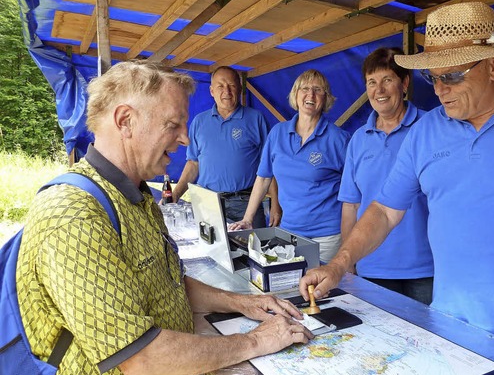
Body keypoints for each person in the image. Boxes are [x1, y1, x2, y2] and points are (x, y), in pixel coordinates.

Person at [300, 2, 494, 375]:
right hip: (452, 335)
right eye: (432, 78)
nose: (439, 91)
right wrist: (339, 265)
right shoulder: (424, 133)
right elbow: (385, 211)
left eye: (451, 77)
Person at [16, 60, 312, 375]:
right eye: (173, 124)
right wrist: (254, 342)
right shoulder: (75, 214)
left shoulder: (137, 195)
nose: (185, 139)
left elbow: (168, 285)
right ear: (125, 120)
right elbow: (140, 358)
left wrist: (243, 303)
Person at [338, 47, 433, 304]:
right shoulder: (358, 140)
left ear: (404, 83)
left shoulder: (430, 128)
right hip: (372, 267)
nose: (378, 90)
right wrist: (349, 260)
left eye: (387, 80)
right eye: (372, 82)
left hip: (426, 268)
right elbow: (351, 205)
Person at [229, 69, 351, 263]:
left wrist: (349, 243)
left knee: (323, 290)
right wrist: (247, 218)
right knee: (291, 287)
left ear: (326, 98)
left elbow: (352, 193)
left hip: (327, 237)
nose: (310, 95)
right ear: (295, 94)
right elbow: (263, 178)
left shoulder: (339, 139)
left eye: (317, 90)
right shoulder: (277, 133)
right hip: (289, 232)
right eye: (304, 88)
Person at [171, 66, 281, 228]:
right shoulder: (199, 122)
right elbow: (193, 163)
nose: (227, 91)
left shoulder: (255, 119)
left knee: (252, 251)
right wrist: (175, 195)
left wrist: (276, 205)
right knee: (210, 250)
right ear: (211, 91)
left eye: (232, 86)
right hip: (208, 203)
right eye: (220, 86)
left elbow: (269, 166)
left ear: (240, 89)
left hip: (246, 203)